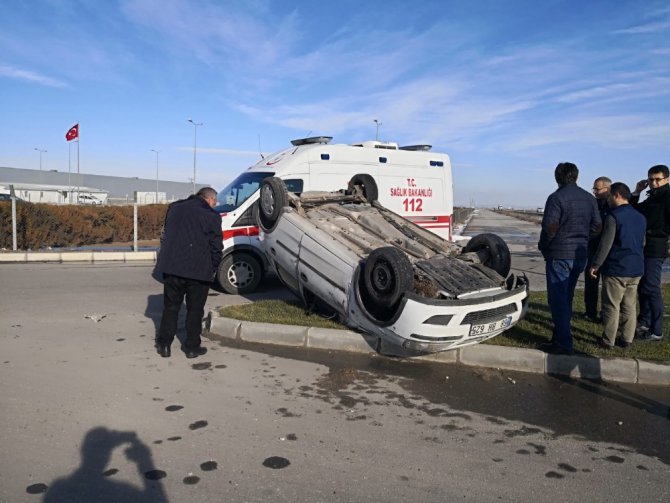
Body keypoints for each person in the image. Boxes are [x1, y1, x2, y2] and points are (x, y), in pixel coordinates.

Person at [538, 162, 602, 355]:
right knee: (567, 297)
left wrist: (544, 246)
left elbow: (550, 227)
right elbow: (597, 226)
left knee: (557, 299)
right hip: (580, 254)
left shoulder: (556, 198)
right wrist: (583, 238)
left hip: (560, 254)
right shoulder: (589, 198)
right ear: (576, 176)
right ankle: (558, 336)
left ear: (557, 177)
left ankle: (564, 342)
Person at [154, 187, 222, 358]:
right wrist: (213, 267)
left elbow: (167, 234)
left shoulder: (175, 207)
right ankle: (192, 347)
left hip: (173, 267)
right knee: (195, 310)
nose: (215, 204)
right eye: (215, 201)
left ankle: (164, 345)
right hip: (199, 271)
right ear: (209, 199)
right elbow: (216, 246)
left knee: (170, 308)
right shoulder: (212, 216)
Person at [588, 183, 646, 349]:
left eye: (610, 197)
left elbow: (606, 244)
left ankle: (608, 340)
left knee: (611, 305)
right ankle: (627, 339)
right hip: (636, 267)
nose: (608, 201)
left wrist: (596, 264)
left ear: (616, 195)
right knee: (630, 305)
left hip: (617, 267)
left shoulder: (613, 216)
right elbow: (642, 242)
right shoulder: (640, 217)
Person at [630, 164, 670, 342]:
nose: (653, 183)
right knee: (643, 285)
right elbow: (632, 211)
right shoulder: (652, 197)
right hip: (645, 246)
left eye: (657, 179)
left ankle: (657, 330)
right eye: (651, 179)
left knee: (651, 287)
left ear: (666, 179)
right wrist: (637, 192)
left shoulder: (667, 197)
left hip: (657, 247)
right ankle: (644, 321)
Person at [583, 176, 611, 322]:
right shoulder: (593, 204)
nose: (594, 192)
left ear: (607, 189)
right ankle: (590, 311)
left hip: (608, 251)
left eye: (597, 189)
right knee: (590, 282)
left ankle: (606, 314)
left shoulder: (613, 206)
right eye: (594, 188)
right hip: (592, 248)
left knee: (608, 285)